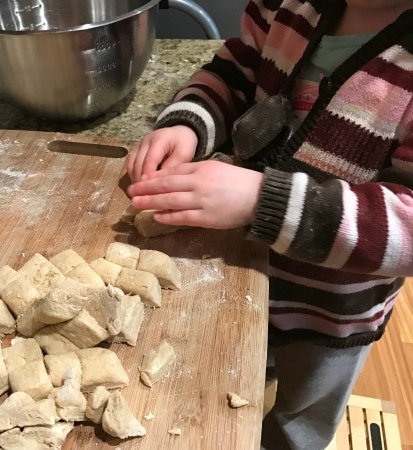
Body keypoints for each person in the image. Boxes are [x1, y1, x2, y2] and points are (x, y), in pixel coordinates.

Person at [126, 0, 413, 448]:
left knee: (299, 415)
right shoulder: (283, 6)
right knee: (235, 375)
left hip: (329, 313)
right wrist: (190, 123)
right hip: (240, 273)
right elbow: (236, 72)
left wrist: (264, 199)